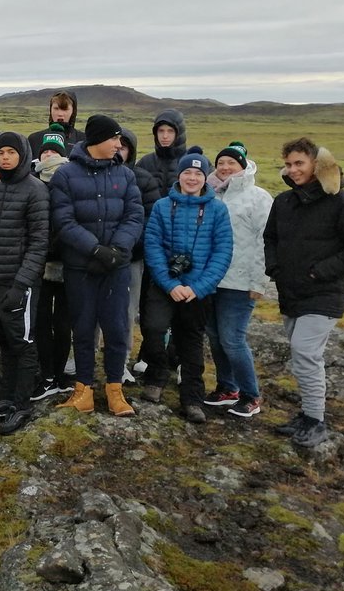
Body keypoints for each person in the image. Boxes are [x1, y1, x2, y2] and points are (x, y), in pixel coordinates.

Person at [264, 137, 344, 448]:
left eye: (299, 163)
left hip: (324, 293)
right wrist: (276, 268)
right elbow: (270, 238)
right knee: (302, 357)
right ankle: (306, 414)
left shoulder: (343, 202)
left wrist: (318, 272)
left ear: (317, 164)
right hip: (291, 291)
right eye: (288, 164)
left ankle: (316, 420)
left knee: (305, 351)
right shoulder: (284, 202)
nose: (292, 169)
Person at [49, 114, 143, 416]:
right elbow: (63, 220)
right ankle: (84, 390)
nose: (119, 144)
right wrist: (94, 250)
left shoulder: (126, 175)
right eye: (114, 138)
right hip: (82, 268)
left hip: (116, 267)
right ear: (98, 140)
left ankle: (115, 390)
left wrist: (116, 250)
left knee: (116, 328)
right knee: (84, 328)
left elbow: (134, 216)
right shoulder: (66, 175)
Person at [141, 149, 234, 423]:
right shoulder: (161, 206)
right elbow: (153, 246)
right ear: (178, 176)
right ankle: (157, 376)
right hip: (164, 284)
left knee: (190, 342)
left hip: (198, 289)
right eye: (186, 173)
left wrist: (199, 287)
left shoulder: (218, 209)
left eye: (197, 173)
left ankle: (192, 398)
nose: (192, 178)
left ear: (205, 177)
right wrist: (169, 283)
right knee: (153, 329)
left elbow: (223, 252)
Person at [0, 133, 49, 434]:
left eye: (11, 152)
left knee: (23, 342)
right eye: (0, 152)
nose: (5, 157)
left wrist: (21, 284)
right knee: (4, 340)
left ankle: (22, 403)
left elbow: (39, 244)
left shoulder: (36, 191)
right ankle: (6, 397)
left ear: (22, 154)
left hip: (20, 283)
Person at [204, 141, 273, 419]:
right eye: (221, 162)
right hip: (211, 281)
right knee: (216, 337)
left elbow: (264, 242)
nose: (225, 167)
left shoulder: (259, 198)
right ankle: (227, 388)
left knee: (233, 339)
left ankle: (250, 394)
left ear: (243, 167)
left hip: (241, 283)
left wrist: (259, 283)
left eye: (232, 163)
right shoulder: (211, 195)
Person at [117, 127, 163, 381]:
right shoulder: (94, 175)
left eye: (123, 147)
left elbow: (149, 222)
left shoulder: (143, 179)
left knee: (126, 311)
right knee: (90, 312)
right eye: (115, 145)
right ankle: (82, 358)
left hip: (131, 259)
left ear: (131, 151)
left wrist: (126, 248)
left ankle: (121, 362)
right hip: (96, 257)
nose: (118, 151)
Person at [28, 136, 72, 402]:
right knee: (41, 321)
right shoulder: (32, 183)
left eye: (55, 152)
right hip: (39, 264)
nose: (48, 156)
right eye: (44, 151)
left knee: (63, 323)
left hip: (66, 264)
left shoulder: (69, 182)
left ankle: (58, 375)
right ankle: (46, 376)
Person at [137, 109, 188, 197]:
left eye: (170, 131)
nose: (165, 136)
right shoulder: (145, 163)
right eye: (161, 131)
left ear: (179, 133)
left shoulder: (193, 162)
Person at [28, 91, 80, 159]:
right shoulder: (34, 139)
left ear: (73, 111)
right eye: (56, 108)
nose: (60, 114)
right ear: (50, 110)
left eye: (65, 109)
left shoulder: (83, 140)